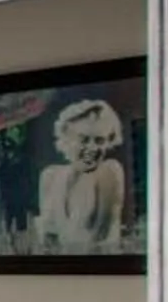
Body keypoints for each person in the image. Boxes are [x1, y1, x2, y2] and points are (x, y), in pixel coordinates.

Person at [36, 99, 129, 251]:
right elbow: (47, 240)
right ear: (66, 139)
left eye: (100, 141)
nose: (92, 148)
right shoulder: (50, 176)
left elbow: (101, 237)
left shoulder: (110, 172)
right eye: (84, 139)